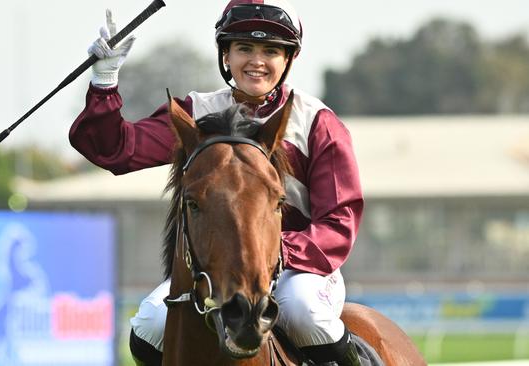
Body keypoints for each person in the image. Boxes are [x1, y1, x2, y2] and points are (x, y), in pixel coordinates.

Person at [69, 1, 365, 365]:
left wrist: (272, 252)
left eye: (271, 50)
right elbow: (116, 150)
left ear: (288, 59)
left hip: (299, 267)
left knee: (304, 313)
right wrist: (104, 82)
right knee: (149, 324)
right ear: (225, 55)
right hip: (215, 266)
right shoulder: (196, 113)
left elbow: (340, 221)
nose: (257, 61)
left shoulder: (318, 123)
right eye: (244, 48)